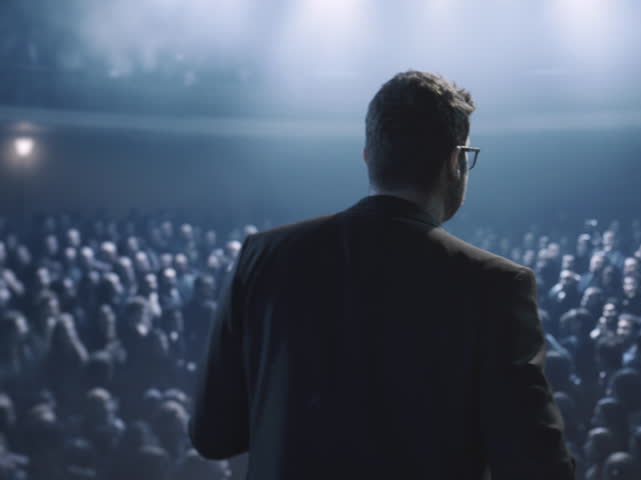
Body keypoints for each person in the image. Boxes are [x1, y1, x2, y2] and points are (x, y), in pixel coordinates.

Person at [189, 71, 575, 479]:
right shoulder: (495, 286)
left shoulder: (263, 257)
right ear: (455, 161)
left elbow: (213, 436)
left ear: (368, 156)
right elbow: (536, 467)